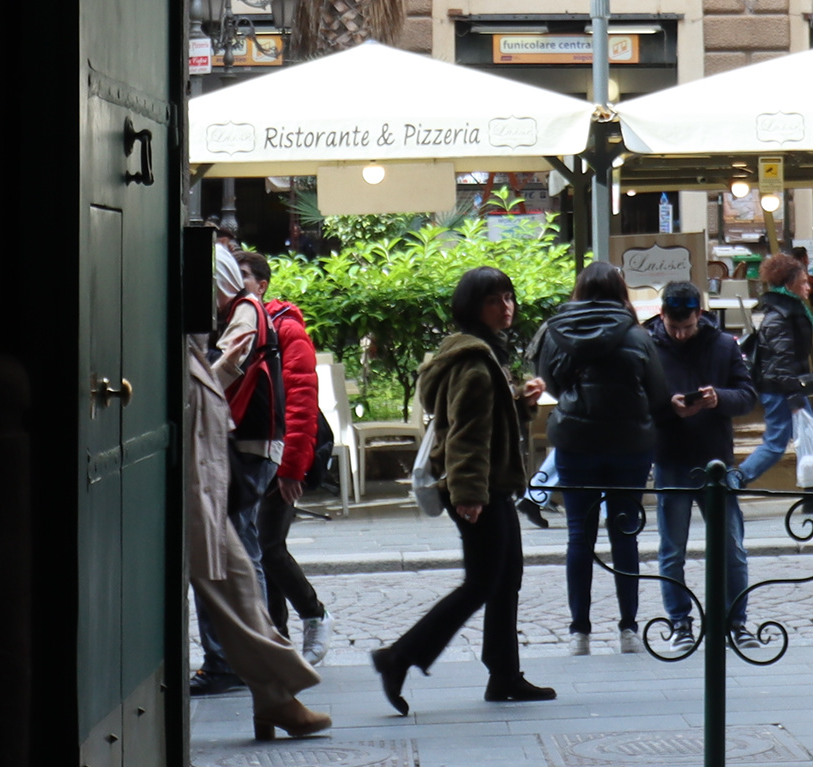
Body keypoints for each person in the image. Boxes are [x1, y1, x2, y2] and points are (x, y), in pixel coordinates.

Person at [371, 267, 558, 713]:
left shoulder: (484, 352)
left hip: (491, 487)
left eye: (508, 297)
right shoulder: (474, 363)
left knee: (505, 578)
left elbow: (490, 421)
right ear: (473, 307)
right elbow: (466, 435)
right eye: (494, 300)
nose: (506, 306)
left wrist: (521, 403)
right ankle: (399, 656)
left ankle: (504, 674)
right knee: (482, 583)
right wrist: (469, 494)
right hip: (479, 489)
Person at [182, 239, 328, 738]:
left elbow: (300, 398)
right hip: (214, 460)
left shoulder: (249, 321)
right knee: (237, 568)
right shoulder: (218, 325)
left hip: (238, 454)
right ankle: (274, 693)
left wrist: (293, 466)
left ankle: (272, 689)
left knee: (239, 566)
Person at [531, 265, 657, 654]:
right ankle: (628, 629)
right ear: (621, 291)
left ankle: (579, 632)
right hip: (629, 442)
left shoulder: (557, 331)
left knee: (578, 535)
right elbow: (657, 388)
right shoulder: (636, 334)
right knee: (625, 532)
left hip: (576, 439)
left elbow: (551, 383)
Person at [641, 279, 757, 634]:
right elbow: (636, 402)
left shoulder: (722, 345)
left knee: (731, 547)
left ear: (699, 315)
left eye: (688, 327)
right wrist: (668, 408)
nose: (680, 334)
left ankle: (734, 621)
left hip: (715, 461)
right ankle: (679, 622)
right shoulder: (647, 347)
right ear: (661, 315)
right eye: (673, 327)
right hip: (671, 457)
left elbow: (748, 395)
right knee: (672, 550)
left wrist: (718, 398)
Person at [242, 246, 330, 663]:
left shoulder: (285, 329)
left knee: (268, 546)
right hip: (251, 455)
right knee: (262, 549)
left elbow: (301, 401)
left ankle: (314, 615)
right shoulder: (239, 326)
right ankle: (277, 640)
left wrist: (292, 468)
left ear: (261, 285)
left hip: (279, 456)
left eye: (243, 276)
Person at [740, 253, 813, 489]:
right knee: (776, 444)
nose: (808, 287)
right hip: (780, 389)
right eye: (803, 282)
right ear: (789, 284)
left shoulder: (787, 310)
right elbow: (783, 360)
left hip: (785, 385)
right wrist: (793, 395)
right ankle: (733, 480)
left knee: (809, 440)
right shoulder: (781, 316)